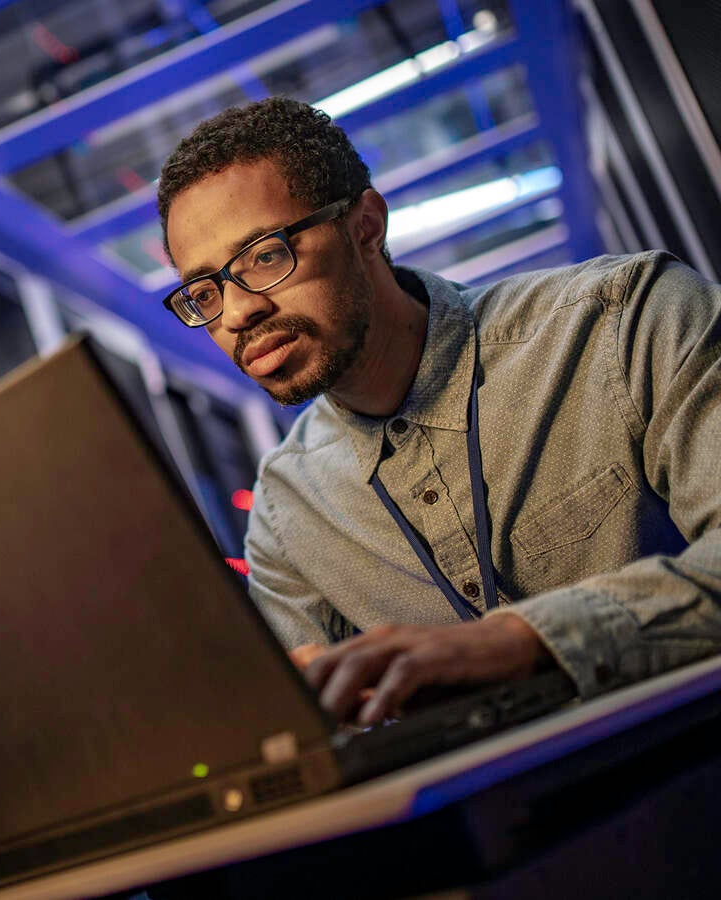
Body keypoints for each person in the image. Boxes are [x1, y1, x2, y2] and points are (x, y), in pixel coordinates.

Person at [157, 97, 721, 725]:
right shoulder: (289, 510)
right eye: (204, 291)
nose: (236, 314)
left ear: (366, 225)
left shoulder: (623, 322)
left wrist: (521, 642)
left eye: (265, 255)